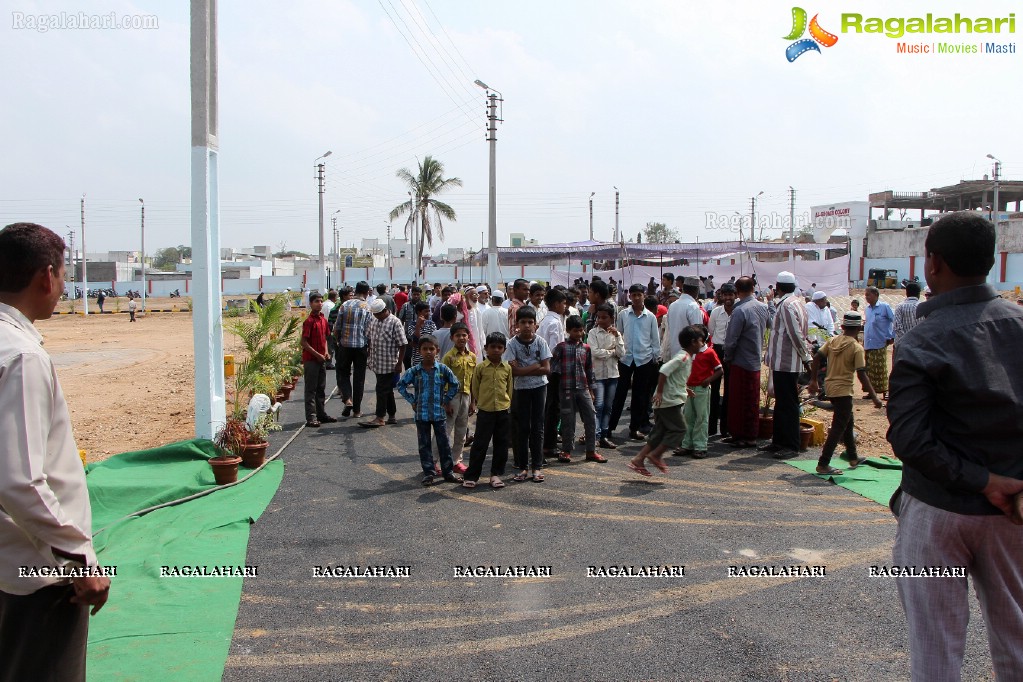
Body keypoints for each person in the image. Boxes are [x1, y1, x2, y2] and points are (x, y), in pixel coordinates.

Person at [886, 211, 1023, 680]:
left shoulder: (922, 339)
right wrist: (1000, 484)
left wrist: (982, 481)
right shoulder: (1019, 326)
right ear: (990, 262)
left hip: (937, 512)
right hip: (1013, 512)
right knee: (1017, 639)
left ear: (933, 263)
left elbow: (908, 438)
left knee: (935, 649)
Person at [0, 223, 111, 681]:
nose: (63, 287)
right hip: (37, 575)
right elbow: (19, 479)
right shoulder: (21, 356)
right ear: (47, 277)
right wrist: (79, 557)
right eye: (64, 276)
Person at [806, 311, 883, 474]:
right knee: (838, 428)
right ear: (859, 328)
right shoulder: (856, 348)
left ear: (842, 327)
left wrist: (813, 380)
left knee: (847, 422)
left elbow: (816, 359)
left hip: (831, 388)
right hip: (844, 390)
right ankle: (823, 463)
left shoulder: (833, 341)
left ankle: (853, 456)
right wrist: (875, 397)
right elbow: (861, 374)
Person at [627, 326, 701, 477]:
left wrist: (685, 389)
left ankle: (639, 459)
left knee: (660, 432)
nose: (702, 344)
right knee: (679, 429)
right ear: (693, 342)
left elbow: (675, 377)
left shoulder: (685, 357)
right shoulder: (683, 357)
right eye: (701, 341)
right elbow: (664, 371)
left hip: (669, 400)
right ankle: (656, 455)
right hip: (669, 402)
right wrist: (660, 392)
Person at [397, 335, 462, 486]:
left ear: (437, 350)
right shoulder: (415, 371)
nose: (428, 352)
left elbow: (455, 384)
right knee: (424, 445)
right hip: (422, 414)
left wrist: (446, 400)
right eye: (424, 349)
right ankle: (428, 473)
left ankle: (448, 472)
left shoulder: (442, 369)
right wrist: (412, 400)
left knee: (444, 444)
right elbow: (401, 385)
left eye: (431, 349)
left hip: (439, 414)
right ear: (419, 351)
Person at [763, 271, 813, 458]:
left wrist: (806, 358)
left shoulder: (787, 305)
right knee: (782, 403)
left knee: (788, 404)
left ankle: (790, 445)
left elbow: (796, 335)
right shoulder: (796, 302)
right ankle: (779, 441)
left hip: (787, 362)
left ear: (778, 287)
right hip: (782, 362)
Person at [504, 306, 552, 483]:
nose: (526, 326)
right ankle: (523, 466)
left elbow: (546, 369)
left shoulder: (540, 342)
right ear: (517, 324)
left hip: (539, 388)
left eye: (530, 322)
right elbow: (512, 372)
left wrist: (522, 368)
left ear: (535, 325)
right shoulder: (512, 344)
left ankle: (537, 467)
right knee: (523, 428)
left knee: (537, 427)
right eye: (523, 322)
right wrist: (534, 367)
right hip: (521, 390)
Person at [608, 284, 660, 441]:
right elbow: (619, 334)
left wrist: (655, 358)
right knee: (619, 394)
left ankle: (634, 428)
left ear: (644, 295)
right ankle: (609, 428)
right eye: (634, 295)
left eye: (639, 294)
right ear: (629, 296)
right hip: (625, 359)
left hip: (644, 359)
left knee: (640, 396)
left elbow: (655, 340)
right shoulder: (624, 314)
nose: (636, 298)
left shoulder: (650, 316)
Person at [722, 276, 769, 448]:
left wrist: (727, 357)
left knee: (738, 400)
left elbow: (731, 339)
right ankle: (747, 434)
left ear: (737, 291)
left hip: (740, 360)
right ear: (753, 287)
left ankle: (742, 434)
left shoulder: (740, 311)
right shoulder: (763, 307)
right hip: (755, 359)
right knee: (751, 399)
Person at [551, 315, 605, 463]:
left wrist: (592, 390)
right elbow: (553, 368)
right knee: (568, 420)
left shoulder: (586, 349)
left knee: (591, 418)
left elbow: (589, 370)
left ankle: (591, 450)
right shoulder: (561, 347)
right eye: (575, 331)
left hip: (583, 388)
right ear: (568, 331)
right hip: (566, 389)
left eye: (581, 331)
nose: (579, 334)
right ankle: (567, 450)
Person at [464, 332, 513, 489]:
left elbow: (509, 389)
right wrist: (479, 402)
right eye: (493, 347)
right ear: (486, 348)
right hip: (485, 411)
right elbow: (475, 388)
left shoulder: (507, 368)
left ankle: (496, 475)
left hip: (503, 410)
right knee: (480, 444)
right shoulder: (481, 368)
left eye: (500, 347)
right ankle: (472, 476)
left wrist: (507, 403)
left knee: (501, 444)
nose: (496, 350)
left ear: (504, 349)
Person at [357, 299, 406, 429]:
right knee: (387, 389)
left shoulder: (395, 322)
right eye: (375, 314)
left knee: (381, 389)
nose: (376, 316)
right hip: (377, 361)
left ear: (385, 311)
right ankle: (392, 415)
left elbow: (402, 344)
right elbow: (369, 337)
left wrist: (399, 363)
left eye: (378, 314)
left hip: (389, 362)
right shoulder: (374, 320)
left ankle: (380, 417)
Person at [674, 325, 722, 459]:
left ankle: (700, 446)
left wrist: (708, 380)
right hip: (689, 388)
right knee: (688, 417)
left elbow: (719, 370)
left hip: (702, 389)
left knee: (702, 417)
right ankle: (687, 444)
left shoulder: (709, 353)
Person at [587, 303, 625, 449]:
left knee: (608, 406)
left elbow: (621, 353)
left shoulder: (616, 334)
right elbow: (595, 352)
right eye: (599, 317)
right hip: (598, 375)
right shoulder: (593, 333)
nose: (601, 320)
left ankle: (604, 434)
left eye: (605, 317)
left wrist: (617, 340)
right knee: (599, 405)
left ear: (611, 318)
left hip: (613, 374)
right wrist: (611, 352)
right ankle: (595, 435)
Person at [441, 323, 477, 473]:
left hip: (466, 396)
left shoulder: (472, 356)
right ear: (452, 338)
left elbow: (474, 380)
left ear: (468, 337)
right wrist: (446, 402)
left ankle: (456, 461)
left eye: (464, 335)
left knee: (462, 432)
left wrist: (473, 402)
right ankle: (436, 462)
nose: (461, 338)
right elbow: (442, 381)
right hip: (452, 397)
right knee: (445, 431)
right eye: (458, 335)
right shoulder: (448, 357)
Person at [334, 281, 372, 418]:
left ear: (355, 291)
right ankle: (357, 410)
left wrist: (338, 341)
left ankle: (348, 399)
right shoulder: (367, 307)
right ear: (367, 293)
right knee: (359, 378)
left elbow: (337, 327)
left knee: (343, 373)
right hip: (361, 347)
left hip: (345, 345)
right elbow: (369, 330)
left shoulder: (345, 305)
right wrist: (369, 348)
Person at [299, 293, 336, 427]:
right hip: (311, 360)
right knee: (311, 389)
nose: (319, 303)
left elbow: (325, 338)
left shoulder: (323, 319)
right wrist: (317, 354)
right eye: (316, 301)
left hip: (321, 359)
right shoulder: (309, 321)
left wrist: (325, 352)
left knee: (321, 388)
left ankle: (321, 414)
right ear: (311, 303)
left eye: (321, 301)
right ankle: (311, 417)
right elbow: (303, 342)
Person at [539, 289, 568, 459]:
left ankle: (547, 442)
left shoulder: (545, 320)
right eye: (563, 303)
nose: (564, 306)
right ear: (556, 304)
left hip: (546, 368)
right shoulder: (555, 322)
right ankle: (549, 445)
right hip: (554, 370)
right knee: (553, 407)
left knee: (549, 406)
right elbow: (555, 349)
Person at [708, 283, 735, 438]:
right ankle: (711, 427)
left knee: (730, 391)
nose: (728, 298)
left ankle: (725, 428)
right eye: (725, 295)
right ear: (721, 296)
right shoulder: (716, 312)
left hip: (731, 353)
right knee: (714, 390)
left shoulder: (738, 312)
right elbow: (711, 331)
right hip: (717, 351)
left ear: (735, 295)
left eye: (730, 295)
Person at [863, 286, 895, 400]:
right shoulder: (867, 309)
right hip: (868, 342)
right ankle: (871, 392)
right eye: (865, 295)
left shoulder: (884, 307)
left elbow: (894, 320)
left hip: (880, 341)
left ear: (876, 295)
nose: (866, 297)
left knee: (880, 368)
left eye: (868, 295)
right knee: (869, 368)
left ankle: (884, 391)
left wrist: (892, 336)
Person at [666, 277, 705, 358]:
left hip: (675, 353)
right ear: (697, 290)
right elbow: (698, 333)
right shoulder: (693, 306)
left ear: (683, 289)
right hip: (690, 356)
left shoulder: (673, 305)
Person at [397, 286, 423, 370]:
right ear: (411, 294)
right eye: (414, 294)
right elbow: (400, 320)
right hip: (408, 337)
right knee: (406, 357)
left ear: (420, 295)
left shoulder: (424, 306)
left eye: (418, 294)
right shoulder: (406, 306)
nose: (416, 296)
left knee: (419, 358)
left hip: (420, 336)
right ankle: (409, 372)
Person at [407, 302, 438, 367]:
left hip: (431, 359)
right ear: (419, 312)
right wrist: (418, 325)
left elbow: (433, 340)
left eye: (429, 311)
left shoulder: (431, 324)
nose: (428, 313)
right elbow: (415, 341)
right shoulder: (412, 325)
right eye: (426, 311)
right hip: (418, 361)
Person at [893, 281, 922, 347]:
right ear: (919, 294)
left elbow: (897, 327)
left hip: (902, 346)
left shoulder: (900, 306)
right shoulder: (923, 307)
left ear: (906, 293)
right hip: (918, 345)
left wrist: (907, 340)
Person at [322, 290, 338, 369]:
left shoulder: (324, 303)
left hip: (323, 326)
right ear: (334, 297)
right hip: (328, 327)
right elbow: (330, 318)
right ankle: (328, 362)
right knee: (330, 345)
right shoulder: (331, 306)